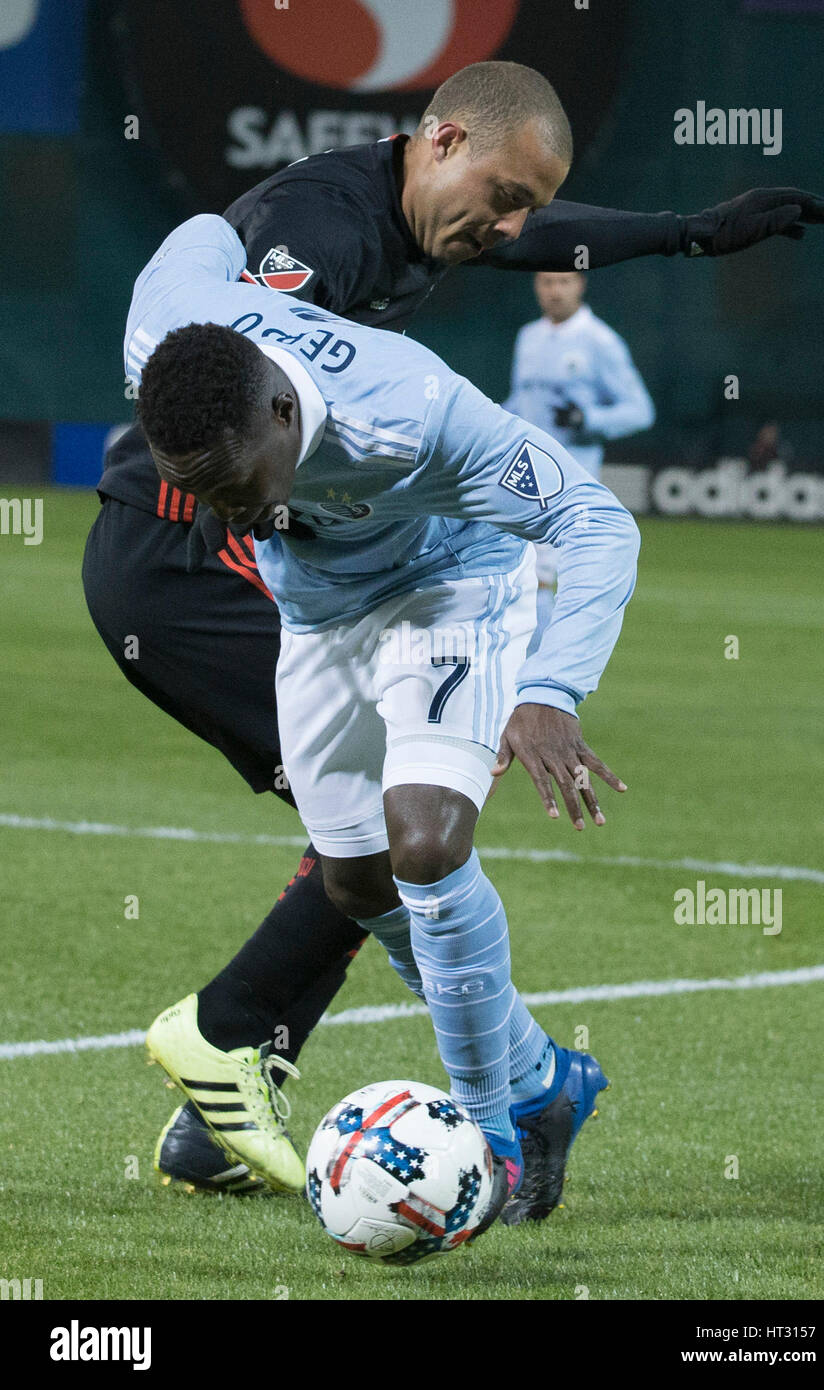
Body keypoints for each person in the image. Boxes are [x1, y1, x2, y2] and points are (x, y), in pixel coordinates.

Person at [81, 59, 824, 1197]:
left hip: (400, 564)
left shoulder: (414, 366)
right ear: (434, 142)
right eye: (501, 191)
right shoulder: (309, 244)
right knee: (366, 864)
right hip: (194, 541)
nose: (512, 225)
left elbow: (521, 270)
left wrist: (679, 233)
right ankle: (473, 1073)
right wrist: (238, 499)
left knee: (410, 844)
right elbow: (219, 315)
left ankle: (377, 1086)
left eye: (524, 200)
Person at [133, 211, 639, 1231]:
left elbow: (594, 519)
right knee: (354, 876)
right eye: (200, 494)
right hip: (320, 615)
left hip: (451, 587)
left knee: (424, 841)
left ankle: (491, 1135)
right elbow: (196, 227)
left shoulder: (412, 412)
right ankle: (544, 1082)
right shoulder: (168, 335)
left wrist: (549, 691)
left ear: (283, 412)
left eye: (233, 486)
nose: (226, 515)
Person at [504, 269, 654, 645]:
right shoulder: (529, 337)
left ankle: (534, 685)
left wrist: (589, 419)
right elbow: (519, 403)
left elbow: (640, 410)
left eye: (564, 282)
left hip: (570, 484)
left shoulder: (600, 341)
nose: (555, 291)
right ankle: (523, 682)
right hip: (519, 479)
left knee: (538, 582)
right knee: (515, 582)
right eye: (546, 282)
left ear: (580, 285)